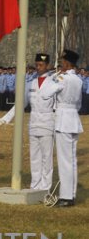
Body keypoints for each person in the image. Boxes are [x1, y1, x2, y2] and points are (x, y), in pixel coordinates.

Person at [0, 53, 55, 191]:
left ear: (48, 66)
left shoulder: (54, 83)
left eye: (41, 65)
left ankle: (45, 187)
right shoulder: (30, 84)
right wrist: (6, 118)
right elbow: (20, 104)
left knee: (47, 158)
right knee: (34, 157)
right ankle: (35, 185)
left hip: (47, 123)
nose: (38, 68)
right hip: (33, 124)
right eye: (37, 65)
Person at [41, 49, 84, 207]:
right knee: (70, 159)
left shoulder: (62, 78)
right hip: (72, 118)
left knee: (66, 160)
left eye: (62, 62)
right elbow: (78, 104)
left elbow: (45, 93)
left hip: (63, 120)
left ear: (67, 63)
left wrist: (52, 77)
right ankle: (68, 194)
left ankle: (67, 196)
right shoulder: (78, 79)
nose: (60, 65)